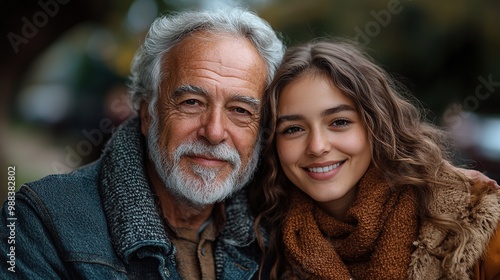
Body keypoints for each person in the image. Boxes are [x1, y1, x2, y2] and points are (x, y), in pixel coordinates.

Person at [0, 8, 284, 279]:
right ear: (148, 113)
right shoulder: (40, 220)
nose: (214, 132)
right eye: (192, 103)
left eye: (240, 110)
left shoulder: (279, 230)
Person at [251, 39, 500, 279]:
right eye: (293, 129)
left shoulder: (472, 219)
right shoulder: (261, 244)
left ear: (376, 125)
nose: (317, 147)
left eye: (339, 122)